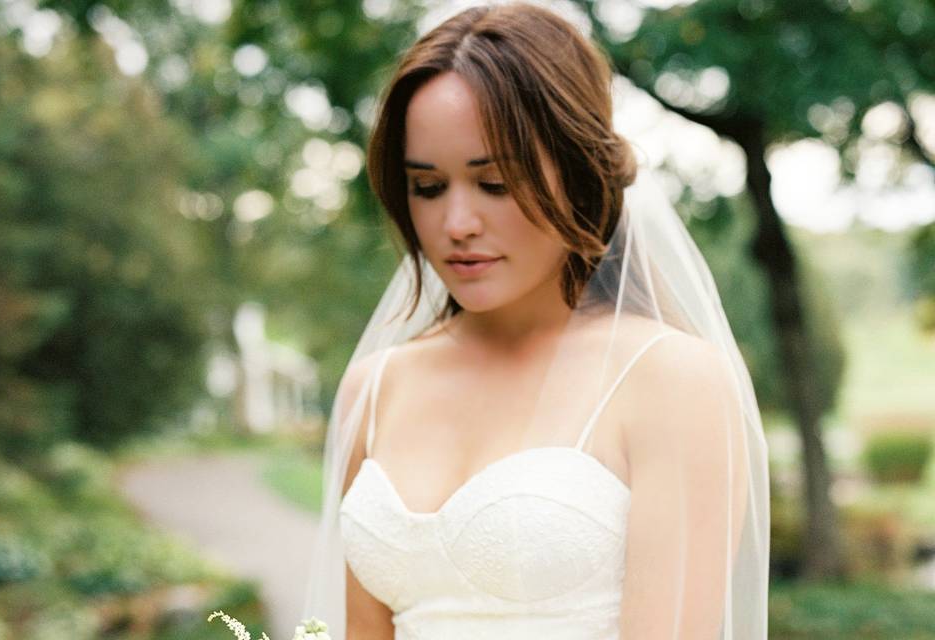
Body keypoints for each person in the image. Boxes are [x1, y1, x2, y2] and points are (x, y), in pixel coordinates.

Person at [300, 3, 770, 639]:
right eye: (428, 187)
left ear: (578, 174)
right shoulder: (376, 388)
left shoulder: (670, 380)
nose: (456, 224)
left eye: (493, 183)